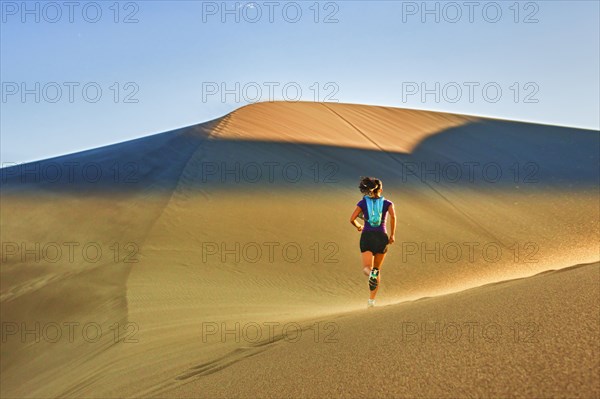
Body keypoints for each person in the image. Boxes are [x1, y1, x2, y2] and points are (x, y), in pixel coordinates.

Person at [349, 177, 396, 307]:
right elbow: (393, 216)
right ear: (381, 189)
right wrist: (392, 235)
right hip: (381, 237)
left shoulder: (362, 203)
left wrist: (359, 226)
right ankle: (371, 301)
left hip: (367, 236)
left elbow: (352, 219)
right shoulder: (388, 203)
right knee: (376, 270)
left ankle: (370, 275)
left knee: (367, 268)